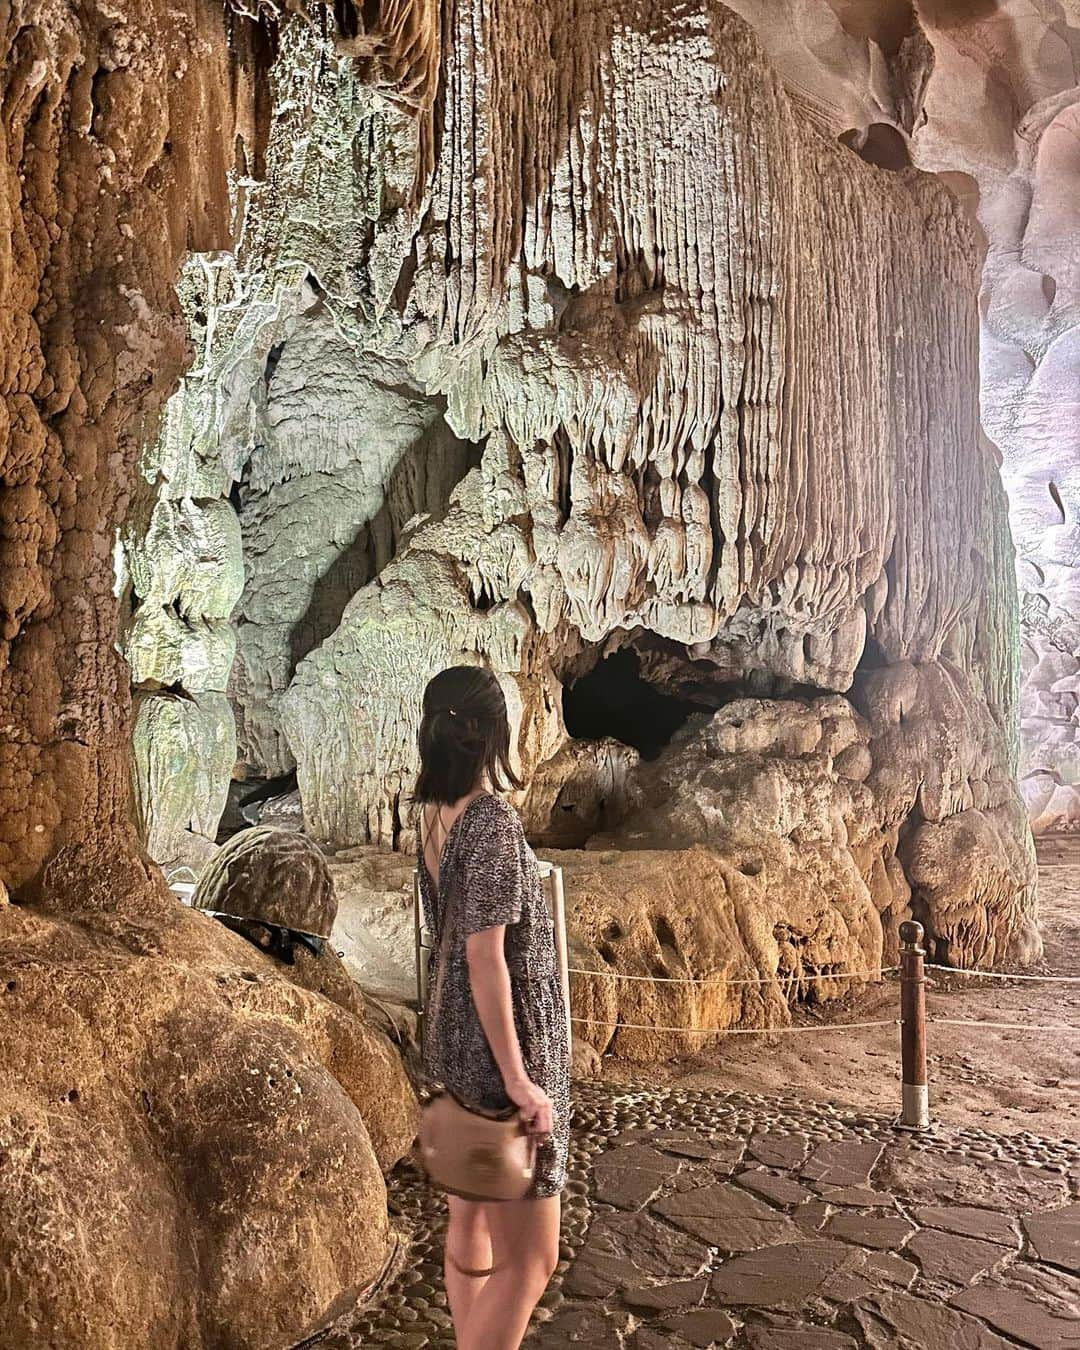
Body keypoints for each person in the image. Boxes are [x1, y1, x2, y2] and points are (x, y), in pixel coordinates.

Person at [415, 665, 570, 1350]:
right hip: (497, 1051)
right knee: (532, 1259)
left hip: (451, 1041)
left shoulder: (431, 816)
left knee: (470, 1229)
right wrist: (520, 1083)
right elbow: (487, 959)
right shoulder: (492, 822)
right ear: (488, 735)